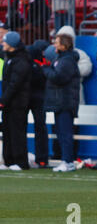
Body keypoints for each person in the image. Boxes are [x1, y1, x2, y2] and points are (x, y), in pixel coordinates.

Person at [43, 33, 80, 172]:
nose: (55, 45)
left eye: (57, 42)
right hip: (60, 102)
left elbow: (59, 77)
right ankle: (65, 160)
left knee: (65, 134)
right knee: (61, 133)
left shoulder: (67, 60)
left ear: (64, 45)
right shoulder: (62, 59)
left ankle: (68, 161)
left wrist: (45, 69)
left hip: (65, 102)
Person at [0, 31, 32, 171]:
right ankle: (9, 160)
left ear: (12, 44)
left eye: (5, 41)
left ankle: (21, 162)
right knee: (7, 131)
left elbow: (15, 83)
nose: (3, 43)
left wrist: (3, 100)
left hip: (18, 103)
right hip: (9, 103)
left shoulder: (21, 60)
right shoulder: (10, 58)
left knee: (17, 132)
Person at [26, 39, 51, 168]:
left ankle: (41, 159)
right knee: (39, 128)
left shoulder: (42, 63)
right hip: (35, 98)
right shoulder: (37, 63)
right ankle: (40, 159)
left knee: (39, 128)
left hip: (34, 98)